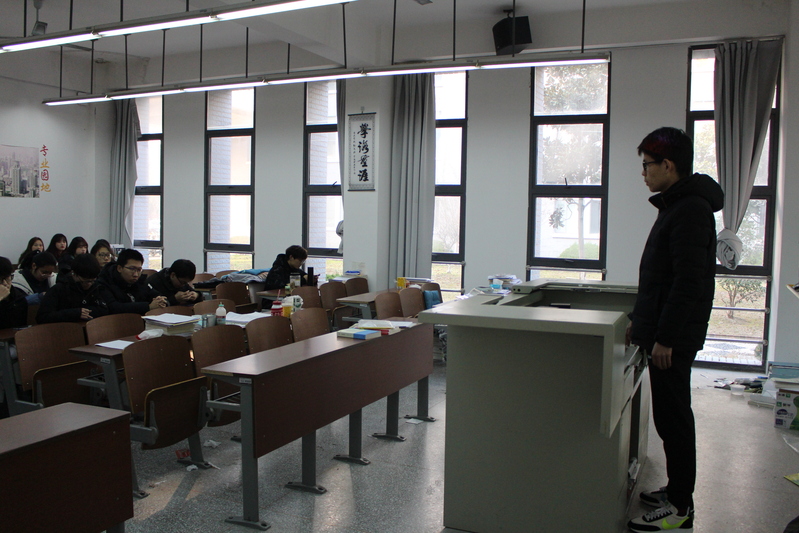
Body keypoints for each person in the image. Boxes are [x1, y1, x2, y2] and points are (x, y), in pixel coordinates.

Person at [626, 127, 723, 533]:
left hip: (674, 340)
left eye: (647, 165)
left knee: (674, 420)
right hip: (666, 333)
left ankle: (680, 508)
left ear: (668, 165)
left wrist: (664, 337)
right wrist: (642, 323)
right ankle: (676, 490)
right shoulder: (677, 205)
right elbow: (662, 277)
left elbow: (688, 282)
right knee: (669, 418)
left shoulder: (689, 210)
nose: (643, 173)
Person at [37, 253, 109, 323]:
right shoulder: (58, 289)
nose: (89, 284)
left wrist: (86, 312)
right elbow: (43, 317)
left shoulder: (96, 286)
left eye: (92, 280)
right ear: (73, 274)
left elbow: (104, 309)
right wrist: (74, 313)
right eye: (85, 281)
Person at [97, 248, 167, 315]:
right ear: (119, 268)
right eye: (132, 269)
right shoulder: (104, 282)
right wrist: (147, 306)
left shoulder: (140, 281)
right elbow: (113, 307)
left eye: (139, 270)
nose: (135, 274)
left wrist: (161, 300)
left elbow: (156, 294)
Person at [0, 256, 27, 329]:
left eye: (7, 278)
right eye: (0, 279)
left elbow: (19, 325)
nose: (5, 283)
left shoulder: (18, 298)